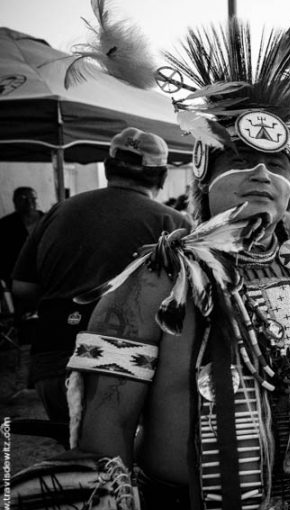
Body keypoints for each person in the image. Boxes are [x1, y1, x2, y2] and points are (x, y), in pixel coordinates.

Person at [24, 0, 290, 510]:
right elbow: (103, 432)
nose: (261, 174)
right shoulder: (156, 281)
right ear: (204, 171)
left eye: (276, 163)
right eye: (241, 160)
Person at [12, 129, 189, 422]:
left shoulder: (59, 211)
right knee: (122, 460)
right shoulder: (174, 223)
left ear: (108, 167)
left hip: (54, 358)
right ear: (162, 175)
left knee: (76, 459)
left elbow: (22, 287)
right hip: (129, 363)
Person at [0, 186, 43, 286]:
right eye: (23, 199)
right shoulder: (5, 225)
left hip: (44, 273)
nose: (29, 202)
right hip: (18, 278)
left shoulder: (46, 220)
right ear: (15, 202)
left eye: (33, 199)